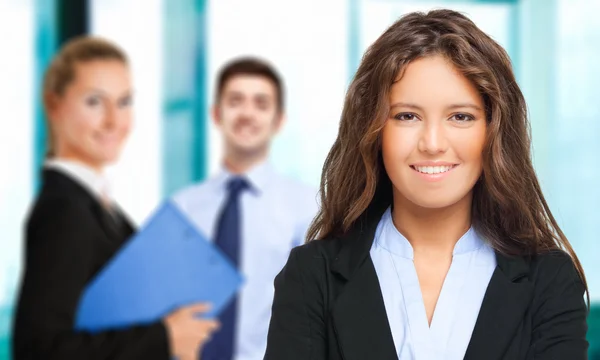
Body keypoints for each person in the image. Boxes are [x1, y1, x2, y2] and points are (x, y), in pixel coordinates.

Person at [264, 9, 589, 360]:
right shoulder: (312, 276)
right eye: (407, 116)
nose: (432, 143)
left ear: (493, 132)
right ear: (373, 131)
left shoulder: (549, 281)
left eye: (460, 117)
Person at [12, 36, 219, 360]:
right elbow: (38, 349)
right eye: (94, 102)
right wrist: (164, 338)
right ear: (54, 105)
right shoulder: (64, 211)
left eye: (124, 102)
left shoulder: (98, 206)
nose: (113, 120)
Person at [172, 57, 318, 360]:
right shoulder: (183, 208)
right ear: (216, 114)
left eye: (261, 104)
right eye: (236, 101)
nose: (247, 113)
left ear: (278, 120)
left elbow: (317, 310)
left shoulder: (307, 208)